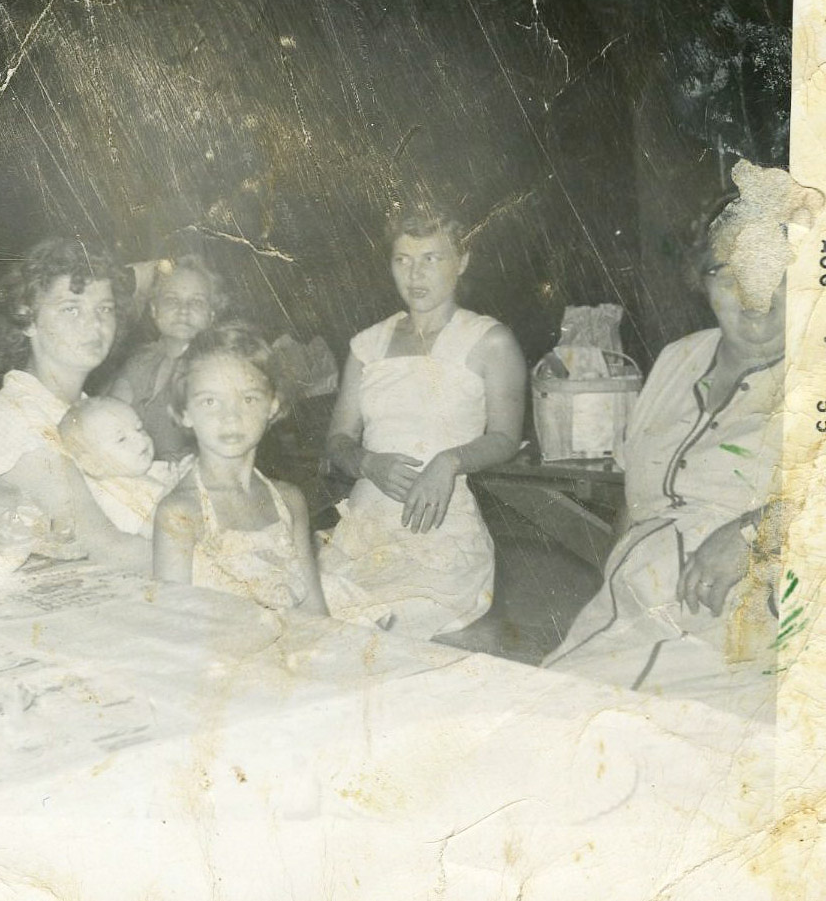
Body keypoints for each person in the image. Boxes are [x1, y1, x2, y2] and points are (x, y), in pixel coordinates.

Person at [544, 162, 821, 714]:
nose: (754, 294)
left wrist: (754, 532)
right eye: (729, 273)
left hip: (751, 625)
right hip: (635, 610)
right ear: (704, 281)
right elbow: (635, 502)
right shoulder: (677, 359)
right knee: (549, 708)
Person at [318, 207, 527, 639]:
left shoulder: (490, 341)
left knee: (384, 630)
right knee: (316, 619)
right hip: (363, 532)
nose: (415, 274)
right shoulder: (367, 345)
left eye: (432, 258)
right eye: (403, 259)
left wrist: (449, 461)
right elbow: (337, 440)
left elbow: (506, 437)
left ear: (462, 262)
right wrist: (367, 462)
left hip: (439, 533)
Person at [0, 238, 152, 572]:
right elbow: (108, 548)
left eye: (104, 308)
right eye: (71, 308)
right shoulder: (24, 425)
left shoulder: (81, 410)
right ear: (27, 319)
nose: (95, 324)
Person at [153, 324, 327, 614]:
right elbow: (173, 624)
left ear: (273, 406)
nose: (231, 417)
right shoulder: (181, 512)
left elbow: (316, 612)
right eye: (210, 401)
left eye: (248, 398)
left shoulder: (289, 501)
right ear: (184, 413)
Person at [111, 255, 227, 461]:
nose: (184, 310)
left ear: (211, 315)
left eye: (197, 301)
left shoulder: (218, 371)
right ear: (154, 309)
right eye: (172, 299)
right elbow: (109, 424)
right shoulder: (139, 361)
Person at [58, 396, 184, 539]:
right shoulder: (112, 498)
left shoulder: (150, 470)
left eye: (139, 428)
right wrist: (171, 492)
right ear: (93, 465)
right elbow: (149, 532)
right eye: (121, 439)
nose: (140, 438)